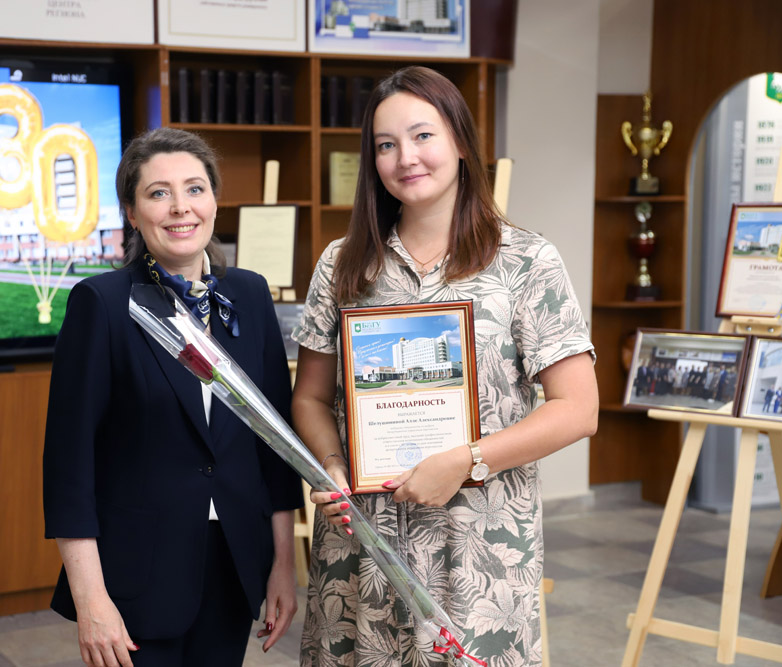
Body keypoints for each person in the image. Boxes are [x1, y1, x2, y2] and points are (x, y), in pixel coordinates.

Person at [291, 66, 598, 666]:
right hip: (363, 542)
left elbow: (578, 409)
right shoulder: (341, 263)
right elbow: (310, 398)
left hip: (481, 552)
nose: (406, 157)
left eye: (422, 136)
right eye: (386, 144)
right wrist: (331, 466)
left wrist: (465, 460)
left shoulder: (526, 260)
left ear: (459, 140)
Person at [43, 127, 301, 667]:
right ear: (132, 214)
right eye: (159, 193)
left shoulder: (250, 294)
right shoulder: (101, 303)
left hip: (234, 562)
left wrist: (283, 565)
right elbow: (69, 467)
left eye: (194, 188)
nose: (180, 207)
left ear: (214, 201)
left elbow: (276, 448)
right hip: (136, 573)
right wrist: (91, 600)